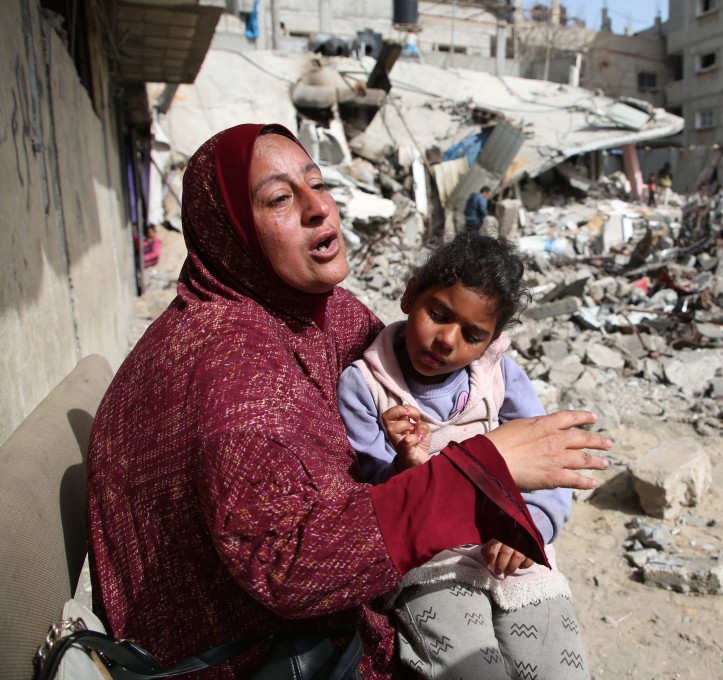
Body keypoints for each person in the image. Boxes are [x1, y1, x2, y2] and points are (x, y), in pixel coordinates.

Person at [86, 123, 611, 680]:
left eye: (317, 184)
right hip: (251, 651)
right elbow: (289, 568)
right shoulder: (232, 370)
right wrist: (478, 470)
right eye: (280, 199)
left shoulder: (315, 308)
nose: (318, 208)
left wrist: (527, 509)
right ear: (228, 228)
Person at [339, 232, 586, 679]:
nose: (447, 340)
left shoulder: (500, 378)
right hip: (431, 565)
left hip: (514, 555)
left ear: (491, 341)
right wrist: (405, 464)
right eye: (438, 314)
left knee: (557, 667)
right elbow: (368, 499)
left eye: (472, 335)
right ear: (410, 295)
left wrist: (531, 526)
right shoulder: (366, 386)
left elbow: (549, 462)